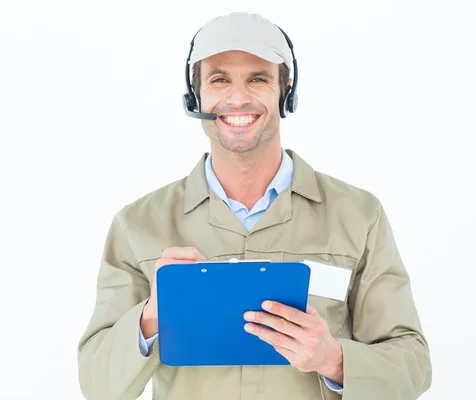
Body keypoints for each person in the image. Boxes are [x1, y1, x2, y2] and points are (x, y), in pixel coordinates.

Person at [77, 11, 432, 400]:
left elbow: (413, 367)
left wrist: (335, 360)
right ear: (196, 96)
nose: (238, 97)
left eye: (258, 78)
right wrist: (151, 316)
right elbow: (97, 385)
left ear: (286, 90)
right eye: (219, 79)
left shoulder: (359, 216)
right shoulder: (137, 225)